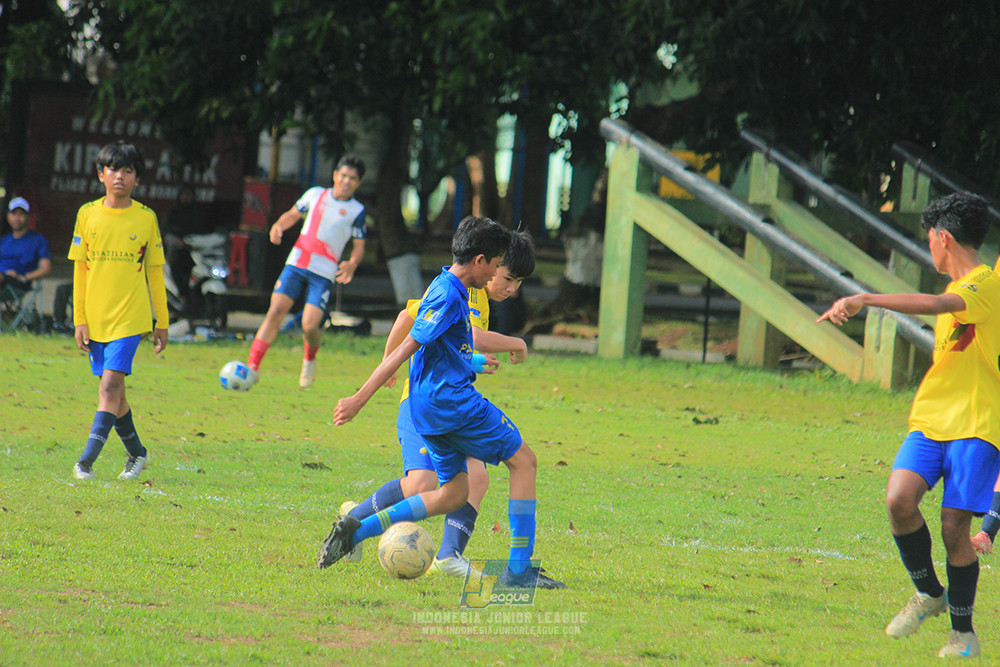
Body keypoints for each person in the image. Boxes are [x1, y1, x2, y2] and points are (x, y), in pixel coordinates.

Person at [318, 216, 564, 590]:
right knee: (524, 462)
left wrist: (472, 359)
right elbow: (406, 345)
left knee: (454, 493)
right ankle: (519, 571)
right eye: (498, 266)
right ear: (481, 261)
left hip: (428, 408)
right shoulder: (453, 294)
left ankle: (357, 529)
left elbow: (451, 343)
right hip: (453, 404)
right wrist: (359, 398)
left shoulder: (446, 284)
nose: (500, 273)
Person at [817, 192, 1000, 659]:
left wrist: (865, 298)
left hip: (978, 424)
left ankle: (963, 633)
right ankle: (929, 593)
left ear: (944, 238)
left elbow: (939, 305)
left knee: (954, 527)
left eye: (930, 242)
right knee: (899, 499)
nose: (930, 251)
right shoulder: (967, 286)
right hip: (932, 418)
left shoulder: (987, 283)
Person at [68, 142, 169, 481]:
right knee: (116, 394)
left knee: (110, 385)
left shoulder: (145, 218)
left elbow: (155, 271)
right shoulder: (87, 214)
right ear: (101, 174)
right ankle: (138, 454)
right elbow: (79, 270)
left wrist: (162, 321)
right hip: (95, 319)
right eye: (113, 170)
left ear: (137, 179)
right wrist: (79, 319)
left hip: (130, 318)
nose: (120, 177)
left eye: (128, 171)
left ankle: (86, 462)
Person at [246, 155, 367, 388]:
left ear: (358, 183)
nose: (346, 181)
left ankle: (309, 359)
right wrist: (279, 225)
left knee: (310, 326)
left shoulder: (356, 211)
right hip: (297, 264)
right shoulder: (315, 194)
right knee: (276, 312)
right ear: (334, 175)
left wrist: (352, 263)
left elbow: (359, 247)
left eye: (352, 178)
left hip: (323, 274)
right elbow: (293, 214)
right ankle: (253, 367)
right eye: (343, 175)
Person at [162, 184, 208, 310]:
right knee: (176, 266)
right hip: (178, 252)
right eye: (184, 195)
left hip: (196, 252)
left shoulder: (198, 214)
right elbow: (166, 233)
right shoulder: (173, 214)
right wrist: (178, 242)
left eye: (189, 195)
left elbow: (204, 232)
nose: (186, 198)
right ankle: (182, 296)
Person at [1, 196, 52, 294]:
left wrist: (24, 277)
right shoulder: (4, 240)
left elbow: (46, 269)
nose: (17, 218)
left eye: (21, 214)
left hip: (17, 282)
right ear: (8, 216)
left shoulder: (38, 240)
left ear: (28, 216)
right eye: (14, 214)